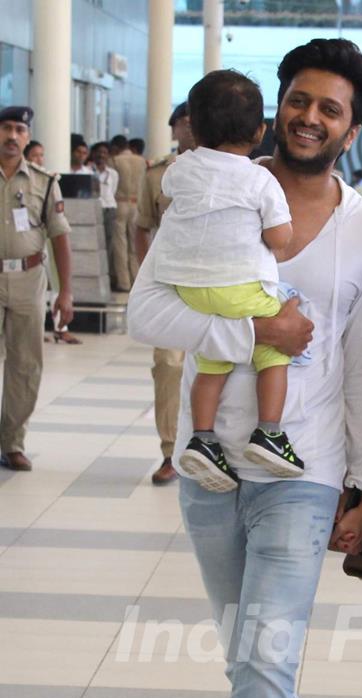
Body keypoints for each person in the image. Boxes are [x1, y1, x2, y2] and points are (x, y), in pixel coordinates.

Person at [127, 38, 362, 698]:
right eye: (302, 100)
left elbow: (359, 363)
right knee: (252, 656)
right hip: (214, 462)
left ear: (353, 128)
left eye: (333, 109)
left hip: (303, 463)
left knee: (265, 651)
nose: (311, 118)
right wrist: (253, 336)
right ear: (277, 102)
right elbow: (146, 311)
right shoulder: (212, 189)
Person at [154, 70, 302, 490]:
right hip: (239, 289)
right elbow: (278, 238)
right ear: (261, 132)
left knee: (213, 362)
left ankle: (202, 439)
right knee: (275, 350)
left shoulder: (180, 169)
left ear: (193, 127)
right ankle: (270, 433)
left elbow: (172, 194)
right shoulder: (260, 179)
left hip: (189, 290)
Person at [0, 106, 74, 472]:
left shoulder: (44, 182)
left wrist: (66, 292)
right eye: (6, 128)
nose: (12, 136)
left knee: (25, 365)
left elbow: (59, 236)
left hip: (29, 280)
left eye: (19, 130)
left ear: (27, 137)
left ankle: (13, 442)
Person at [135, 102, 194, 486]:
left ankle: (211, 449)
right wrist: (146, 279)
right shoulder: (157, 173)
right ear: (174, 128)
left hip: (224, 290)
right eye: (186, 122)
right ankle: (171, 451)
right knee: (169, 368)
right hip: (171, 288)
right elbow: (142, 226)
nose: (193, 128)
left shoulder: (243, 173)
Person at [109, 133, 146, 291]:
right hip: (136, 204)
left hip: (120, 203)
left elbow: (111, 184)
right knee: (134, 245)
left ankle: (123, 282)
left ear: (116, 147)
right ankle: (136, 279)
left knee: (120, 244)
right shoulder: (142, 161)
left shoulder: (115, 160)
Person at [90, 141, 119, 286]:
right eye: (98, 152)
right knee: (93, 244)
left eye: (104, 152)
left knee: (108, 244)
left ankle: (106, 278)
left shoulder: (113, 173)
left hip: (109, 210)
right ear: (93, 154)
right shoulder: (89, 171)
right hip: (93, 210)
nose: (101, 155)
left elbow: (112, 191)